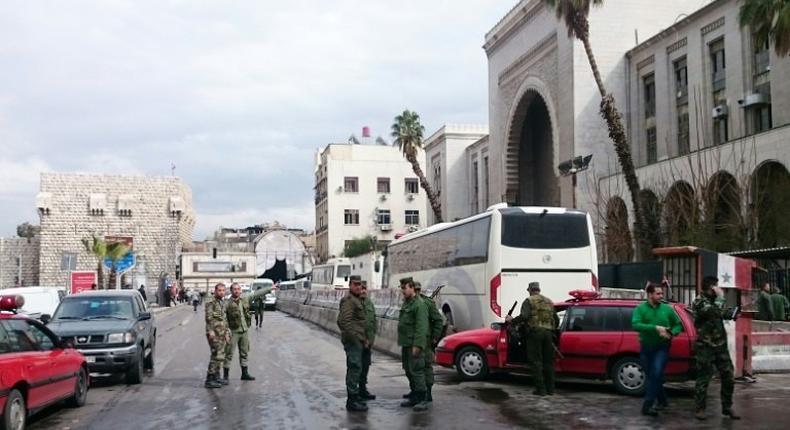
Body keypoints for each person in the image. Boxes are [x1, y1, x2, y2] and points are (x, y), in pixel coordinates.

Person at [692, 276, 740, 420]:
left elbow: (719, 312)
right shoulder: (699, 301)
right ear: (711, 287)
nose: (719, 288)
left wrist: (731, 313)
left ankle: (727, 407)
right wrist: (720, 297)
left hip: (720, 346)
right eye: (716, 286)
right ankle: (700, 409)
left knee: (728, 377)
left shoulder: (714, 302)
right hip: (705, 346)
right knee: (703, 378)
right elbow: (711, 312)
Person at [631, 282, 683, 416]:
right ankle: (662, 400)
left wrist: (671, 333)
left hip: (662, 347)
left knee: (656, 372)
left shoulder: (667, 309)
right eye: (658, 293)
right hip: (646, 347)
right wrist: (655, 328)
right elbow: (635, 325)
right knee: (653, 376)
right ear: (650, 294)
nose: (661, 296)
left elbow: (678, 325)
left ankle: (647, 406)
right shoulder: (640, 309)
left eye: (661, 293)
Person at [506, 282, 558, 396]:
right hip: (548, 334)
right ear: (539, 289)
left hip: (535, 334)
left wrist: (512, 320)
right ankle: (551, 390)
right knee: (548, 362)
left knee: (536, 361)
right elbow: (556, 320)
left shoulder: (529, 301)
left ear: (529, 290)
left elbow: (524, 316)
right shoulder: (549, 301)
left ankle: (541, 390)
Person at [222, 282, 272, 383]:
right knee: (229, 353)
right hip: (233, 331)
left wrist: (270, 288)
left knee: (244, 352)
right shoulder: (227, 303)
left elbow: (256, 293)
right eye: (235, 289)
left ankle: (244, 373)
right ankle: (225, 376)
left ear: (240, 290)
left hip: (244, 330)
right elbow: (223, 319)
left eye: (238, 289)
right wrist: (226, 332)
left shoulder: (245, 298)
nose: (237, 291)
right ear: (231, 291)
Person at [337, 275, 369, 412]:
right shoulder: (349, 301)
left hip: (358, 340)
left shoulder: (357, 300)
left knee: (357, 368)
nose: (358, 287)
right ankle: (352, 400)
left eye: (360, 285)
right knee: (354, 368)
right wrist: (354, 337)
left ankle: (355, 397)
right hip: (353, 341)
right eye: (355, 284)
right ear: (350, 285)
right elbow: (344, 321)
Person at [398, 278, 430, 411]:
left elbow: (421, 328)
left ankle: (422, 398)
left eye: (404, 288)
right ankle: (415, 395)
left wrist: (418, 345)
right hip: (406, 343)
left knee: (417, 371)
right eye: (401, 288)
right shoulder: (407, 303)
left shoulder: (419, 305)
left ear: (411, 288)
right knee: (408, 370)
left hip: (414, 344)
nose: (402, 291)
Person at [413, 281, 443, 403]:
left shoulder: (428, 303)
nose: (416, 292)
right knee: (414, 368)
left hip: (425, 340)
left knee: (425, 366)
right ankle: (417, 392)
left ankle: (427, 393)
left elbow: (438, 321)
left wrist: (435, 337)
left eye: (418, 290)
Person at [204, 283, 230, 389]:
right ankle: (209, 379)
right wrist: (210, 331)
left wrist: (227, 333)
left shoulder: (222, 302)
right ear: (215, 291)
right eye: (219, 290)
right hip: (214, 333)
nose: (222, 292)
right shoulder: (211, 302)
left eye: (223, 290)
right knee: (216, 355)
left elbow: (224, 319)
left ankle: (216, 376)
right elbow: (209, 317)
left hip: (222, 333)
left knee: (220, 355)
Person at [359, 281, 377, 401]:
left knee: (365, 366)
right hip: (358, 343)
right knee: (357, 368)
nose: (364, 291)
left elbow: (373, 321)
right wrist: (362, 339)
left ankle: (363, 389)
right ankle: (356, 393)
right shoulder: (354, 303)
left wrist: (371, 339)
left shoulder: (369, 303)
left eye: (365, 288)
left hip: (368, 343)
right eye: (361, 288)